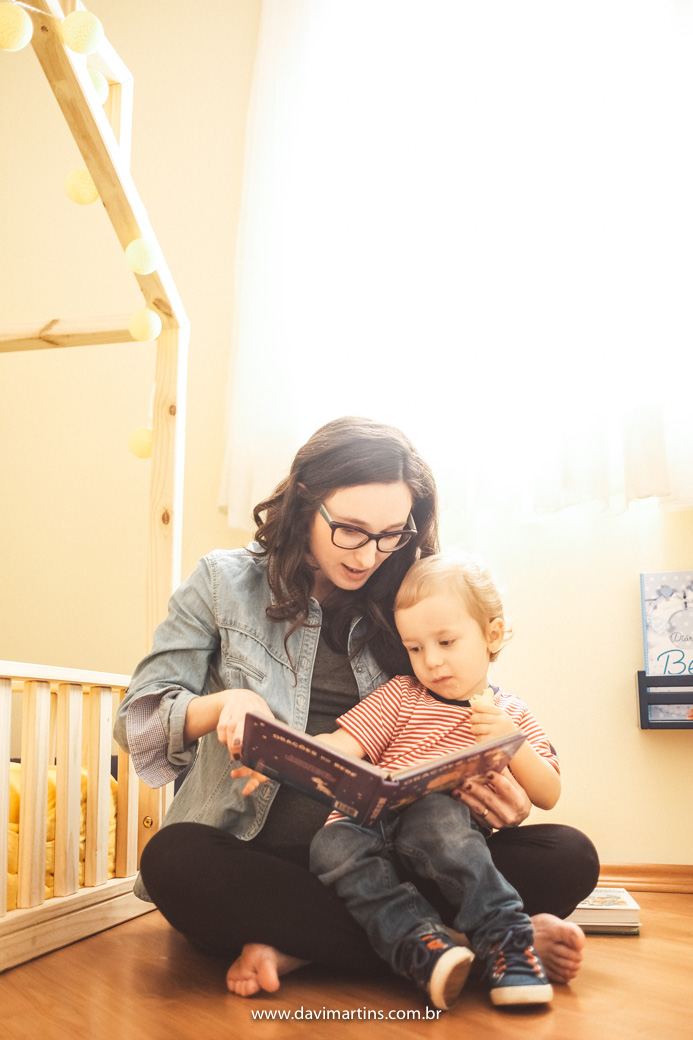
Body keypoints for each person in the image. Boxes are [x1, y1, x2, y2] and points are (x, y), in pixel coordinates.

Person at [113, 416, 598, 998]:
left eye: (392, 533)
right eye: (350, 530)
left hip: (397, 854)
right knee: (174, 860)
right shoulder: (223, 581)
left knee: (567, 855)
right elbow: (136, 718)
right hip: (261, 858)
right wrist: (225, 704)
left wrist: (500, 789)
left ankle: (311, 943)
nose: (370, 554)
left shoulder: (408, 594)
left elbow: (451, 703)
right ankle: (484, 940)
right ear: (302, 502)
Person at [236, 553, 558, 1011]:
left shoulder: (510, 715)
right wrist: (277, 757)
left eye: (446, 642)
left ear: (491, 635)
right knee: (328, 846)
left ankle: (506, 940)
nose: (431, 661)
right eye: (415, 648)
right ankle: (425, 950)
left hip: (440, 837)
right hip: (369, 822)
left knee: (439, 817)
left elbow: (548, 794)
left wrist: (514, 741)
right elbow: (341, 743)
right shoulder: (401, 695)